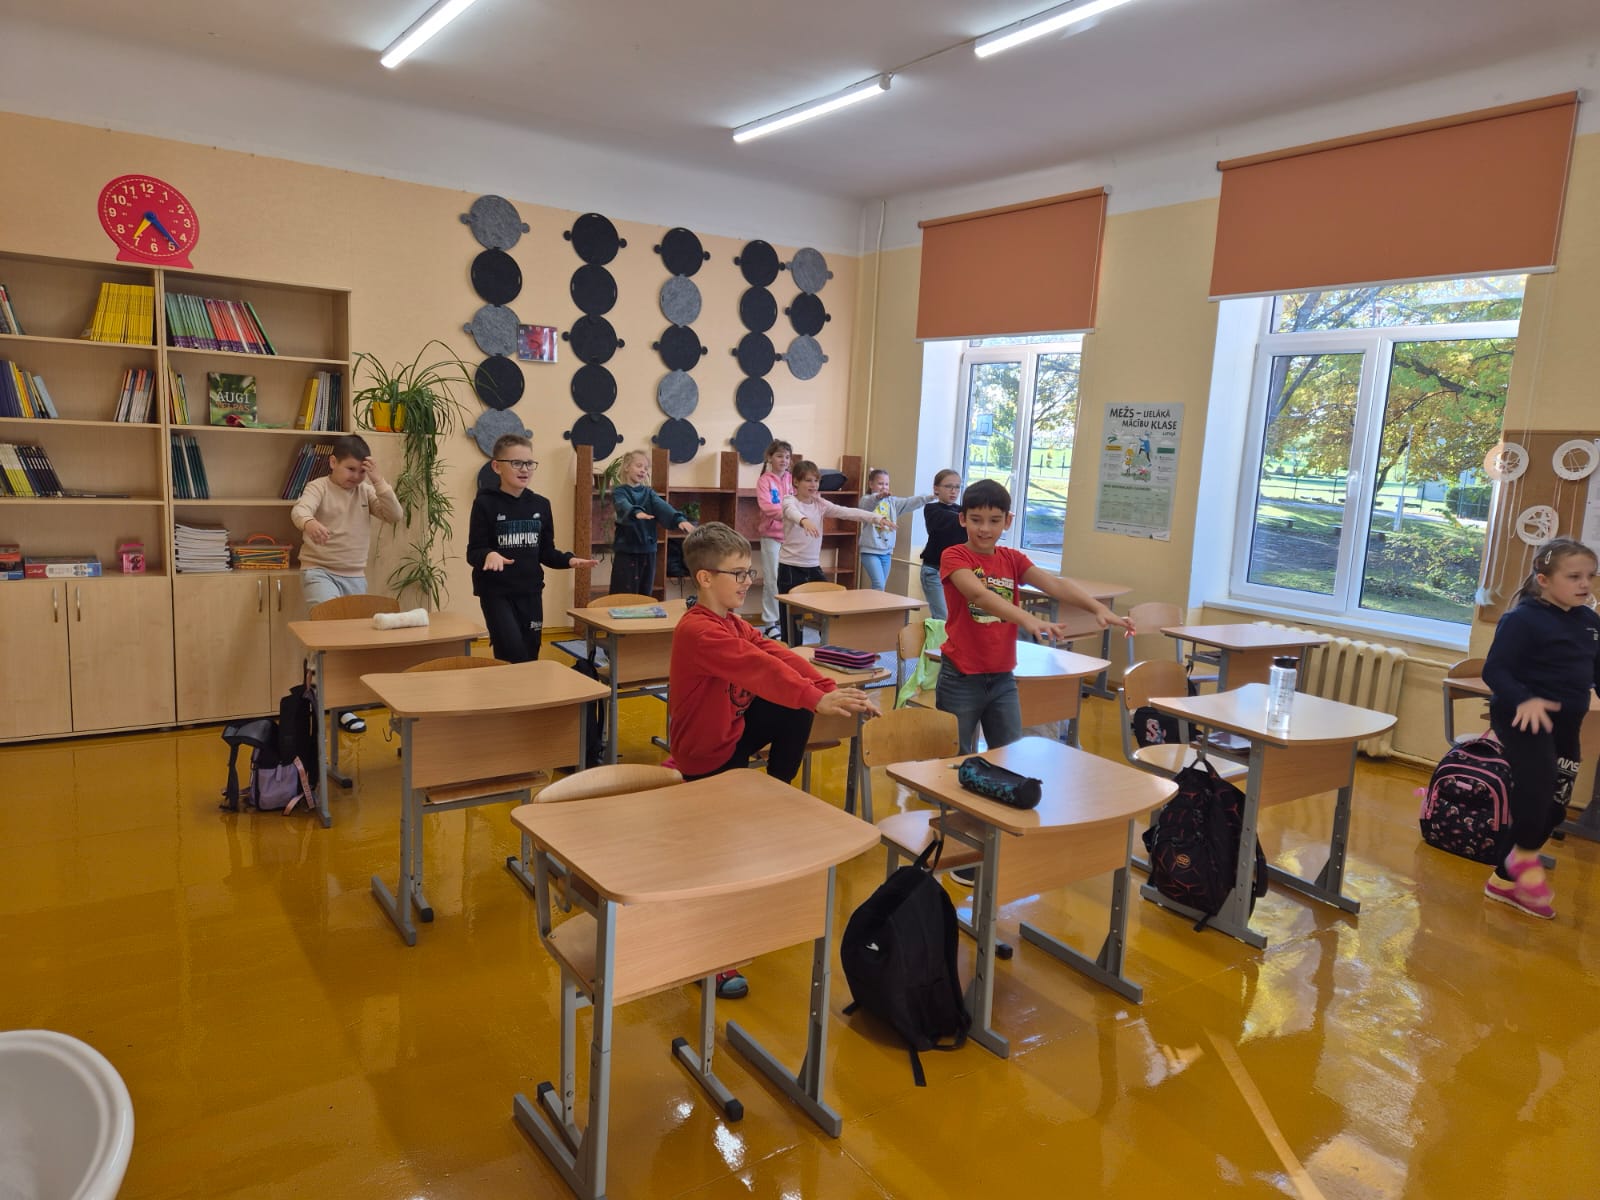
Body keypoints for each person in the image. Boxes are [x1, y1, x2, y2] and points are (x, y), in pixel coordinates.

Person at [666, 522, 880, 999]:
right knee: (712, 860)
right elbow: (758, 668)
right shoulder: (700, 630)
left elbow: (773, 652)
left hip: (732, 736)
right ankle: (710, 955)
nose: (748, 581)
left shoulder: (733, 622)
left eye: (749, 572)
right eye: (738, 574)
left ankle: (774, 795)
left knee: (795, 706)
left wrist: (827, 689)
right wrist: (815, 697)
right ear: (705, 578)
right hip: (704, 753)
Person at [937, 477, 1135, 757]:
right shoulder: (954, 555)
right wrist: (1026, 618)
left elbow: (1055, 584)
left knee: (1007, 756)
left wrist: (1098, 608)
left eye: (994, 520)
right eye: (976, 520)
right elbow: (978, 595)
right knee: (952, 757)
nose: (985, 529)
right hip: (961, 675)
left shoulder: (1012, 559)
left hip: (1003, 676)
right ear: (962, 519)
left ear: (1008, 521)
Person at [1480, 536, 1600, 920]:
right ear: (1544, 579)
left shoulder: (1590, 622)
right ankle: (1519, 867)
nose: (1585, 584)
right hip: (1522, 719)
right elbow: (1495, 670)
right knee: (1536, 797)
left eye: (1591, 576)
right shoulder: (1522, 619)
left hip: (1567, 723)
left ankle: (1505, 878)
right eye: (1574, 576)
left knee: (1555, 808)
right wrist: (1525, 699)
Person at [291, 433, 402, 732]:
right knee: (329, 631)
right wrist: (310, 523)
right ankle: (316, 686)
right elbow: (299, 510)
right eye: (350, 469)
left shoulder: (366, 491)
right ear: (333, 462)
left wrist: (378, 481)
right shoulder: (319, 487)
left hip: (354, 576)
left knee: (351, 643)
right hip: (319, 571)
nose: (356, 476)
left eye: (361, 471)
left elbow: (394, 514)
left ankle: (340, 703)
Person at [466, 434, 599, 664]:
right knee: (511, 651)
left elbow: (546, 552)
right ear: (497, 467)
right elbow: (474, 551)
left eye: (529, 463)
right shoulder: (485, 504)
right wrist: (489, 554)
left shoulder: (541, 505)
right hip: (496, 593)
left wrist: (569, 560)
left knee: (530, 650)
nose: (524, 469)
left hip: (530, 591)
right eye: (516, 463)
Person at [778, 461, 893, 645]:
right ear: (796, 482)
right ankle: (792, 651)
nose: (813, 485)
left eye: (816, 481)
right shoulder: (789, 500)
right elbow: (791, 512)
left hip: (813, 567)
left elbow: (847, 512)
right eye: (808, 480)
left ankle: (828, 647)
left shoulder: (820, 503)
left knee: (830, 607)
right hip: (790, 567)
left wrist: (877, 518)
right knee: (791, 618)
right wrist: (804, 520)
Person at [609, 448, 694, 597]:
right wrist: (636, 512)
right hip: (627, 551)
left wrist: (679, 520)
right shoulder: (620, 491)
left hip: (648, 551)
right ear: (627, 467)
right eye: (639, 466)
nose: (643, 470)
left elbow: (663, 507)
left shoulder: (649, 493)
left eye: (646, 468)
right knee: (623, 594)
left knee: (644, 593)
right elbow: (623, 504)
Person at [857, 467, 934, 591]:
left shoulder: (892, 502)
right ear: (871, 484)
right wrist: (878, 497)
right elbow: (869, 503)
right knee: (879, 584)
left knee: (881, 586)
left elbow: (909, 502)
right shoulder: (866, 500)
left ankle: (875, 603)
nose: (884, 487)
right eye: (880, 483)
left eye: (886, 484)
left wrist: (928, 497)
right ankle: (875, 604)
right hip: (870, 551)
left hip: (886, 552)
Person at [754, 440, 794, 638]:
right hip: (771, 536)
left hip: (792, 537)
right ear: (770, 458)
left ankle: (787, 620)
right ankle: (770, 623)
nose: (784, 460)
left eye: (787, 457)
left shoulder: (793, 480)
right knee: (773, 580)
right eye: (779, 456)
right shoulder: (764, 481)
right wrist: (791, 515)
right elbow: (767, 507)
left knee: (790, 580)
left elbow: (802, 501)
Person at [919, 469, 963, 621]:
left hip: (956, 572)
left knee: (957, 618)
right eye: (948, 486)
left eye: (957, 487)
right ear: (936, 489)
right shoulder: (932, 509)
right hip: (934, 571)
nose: (953, 491)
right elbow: (949, 519)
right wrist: (972, 517)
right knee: (942, 618)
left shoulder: (962, 511)